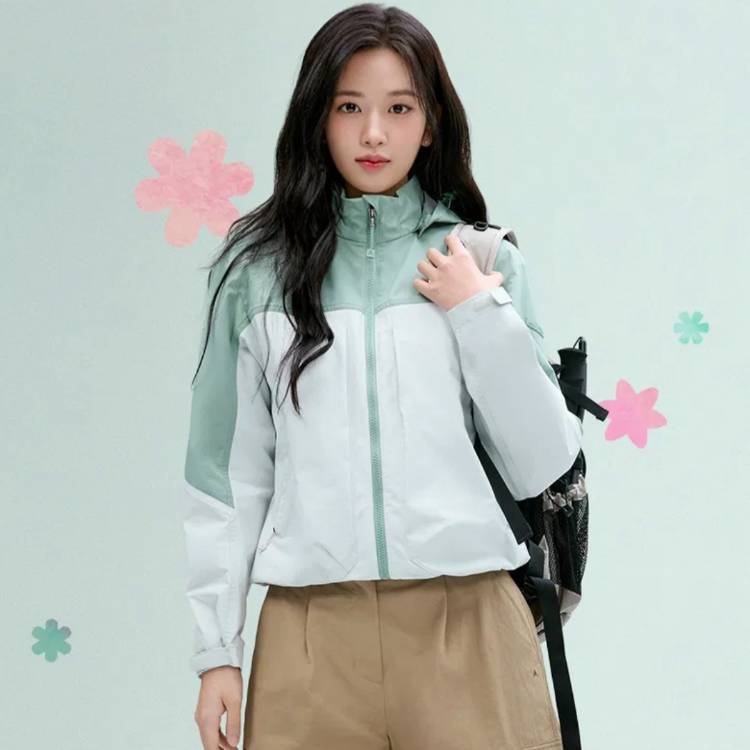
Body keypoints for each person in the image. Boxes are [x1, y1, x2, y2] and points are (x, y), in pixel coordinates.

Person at [183, 4, 583, 749]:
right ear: (318, 120)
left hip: (468, 622)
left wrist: (479, 312)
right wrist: (217, 653)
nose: (374, 133)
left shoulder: (483, 260)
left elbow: (543, 461)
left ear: (430, 124)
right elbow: (227, 477)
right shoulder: (256, 276)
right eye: (349, 108)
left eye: (399, 108)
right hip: (310, 631)